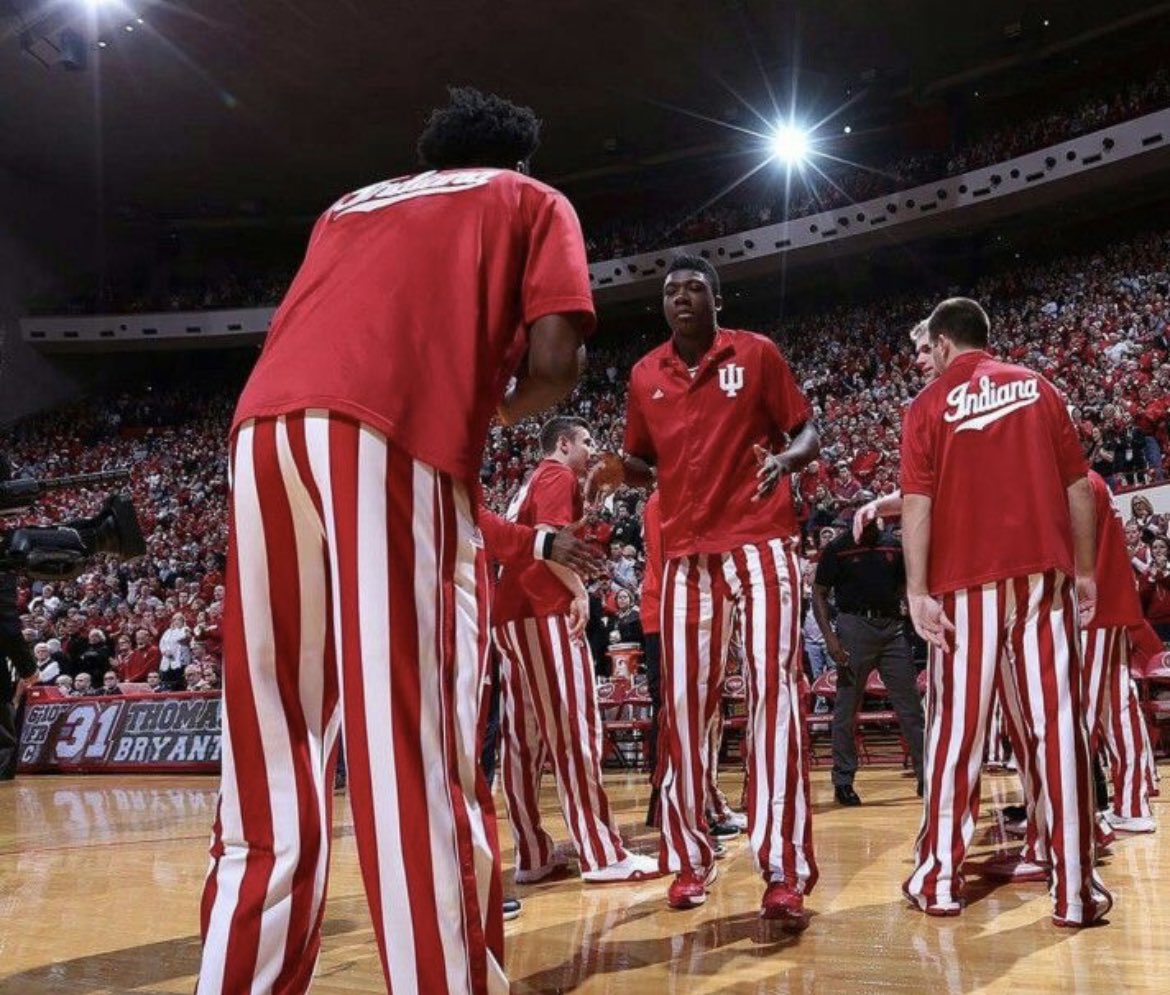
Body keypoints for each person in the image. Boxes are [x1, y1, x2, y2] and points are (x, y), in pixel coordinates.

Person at [196, 86, 595, 995]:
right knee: (410, 748)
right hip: (389, 432)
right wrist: (474, 408)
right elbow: (556, 363)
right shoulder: (530, 199)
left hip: (258, 433)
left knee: (271, 753)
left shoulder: (349, 204)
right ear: (518, 159)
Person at [589, 255, 821, 927]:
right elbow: (642, 465)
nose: (681, 296)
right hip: (688, 553)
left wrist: (786, 457)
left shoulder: (758, 353)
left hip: (761, 537)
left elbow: (808, 429)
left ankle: (782, 867)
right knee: (684, 707)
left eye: (694, 287)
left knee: (774, 694)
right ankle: (690, 854)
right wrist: (615, 472)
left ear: (718, 298)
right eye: (670, 289)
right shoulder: (642, 374)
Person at [900, 297, 1111, 927]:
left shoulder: (927, 405)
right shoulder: (1039, 388)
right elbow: (1079, 486)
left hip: (966, 585)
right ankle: (1074, 891)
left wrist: (917, 589)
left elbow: (917, 504)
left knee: (956, 737)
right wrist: (1083, 570)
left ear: (940, 345)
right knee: (1058, 730)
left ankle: (939, 880)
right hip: (1042, 579)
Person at [493, 416, 657, 886]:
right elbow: (550, 544)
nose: (592, 447)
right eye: (586, 441)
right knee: (574, 731)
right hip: (541, 608)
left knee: (523, 740)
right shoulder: (556, 474)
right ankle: (601, 852)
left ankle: (532, 854)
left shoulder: (533, 480)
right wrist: (580, 591)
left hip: (510, 612)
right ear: (563, 444)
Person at [812, 513, 924, 806]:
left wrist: (905, 609)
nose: (876, 527)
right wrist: (831, 638)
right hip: (854, 627)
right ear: (857, 523)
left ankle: (927, 776)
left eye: (879, 522)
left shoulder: (893, 546)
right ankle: (843, 780)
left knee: (911, 707)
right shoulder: (838, 548)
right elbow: (819, 593)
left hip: (891, 628)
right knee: (846, 710)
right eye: (870, 523)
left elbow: (905, 583)